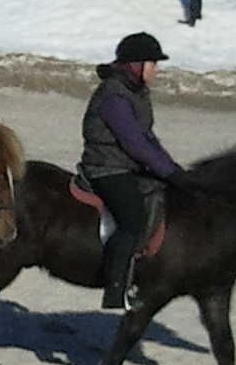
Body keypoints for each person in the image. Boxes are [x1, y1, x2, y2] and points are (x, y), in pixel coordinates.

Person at [79, 31, 184, 311]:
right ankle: (116, 290)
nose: (157, 70)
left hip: (125, 165)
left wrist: (172, 170)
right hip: (106, 168)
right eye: (154, 64)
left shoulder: (135, 92)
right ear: (136, 65)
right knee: (132, 220)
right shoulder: (114, 95)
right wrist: (167, 171)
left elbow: (148, 138)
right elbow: (133, 142)